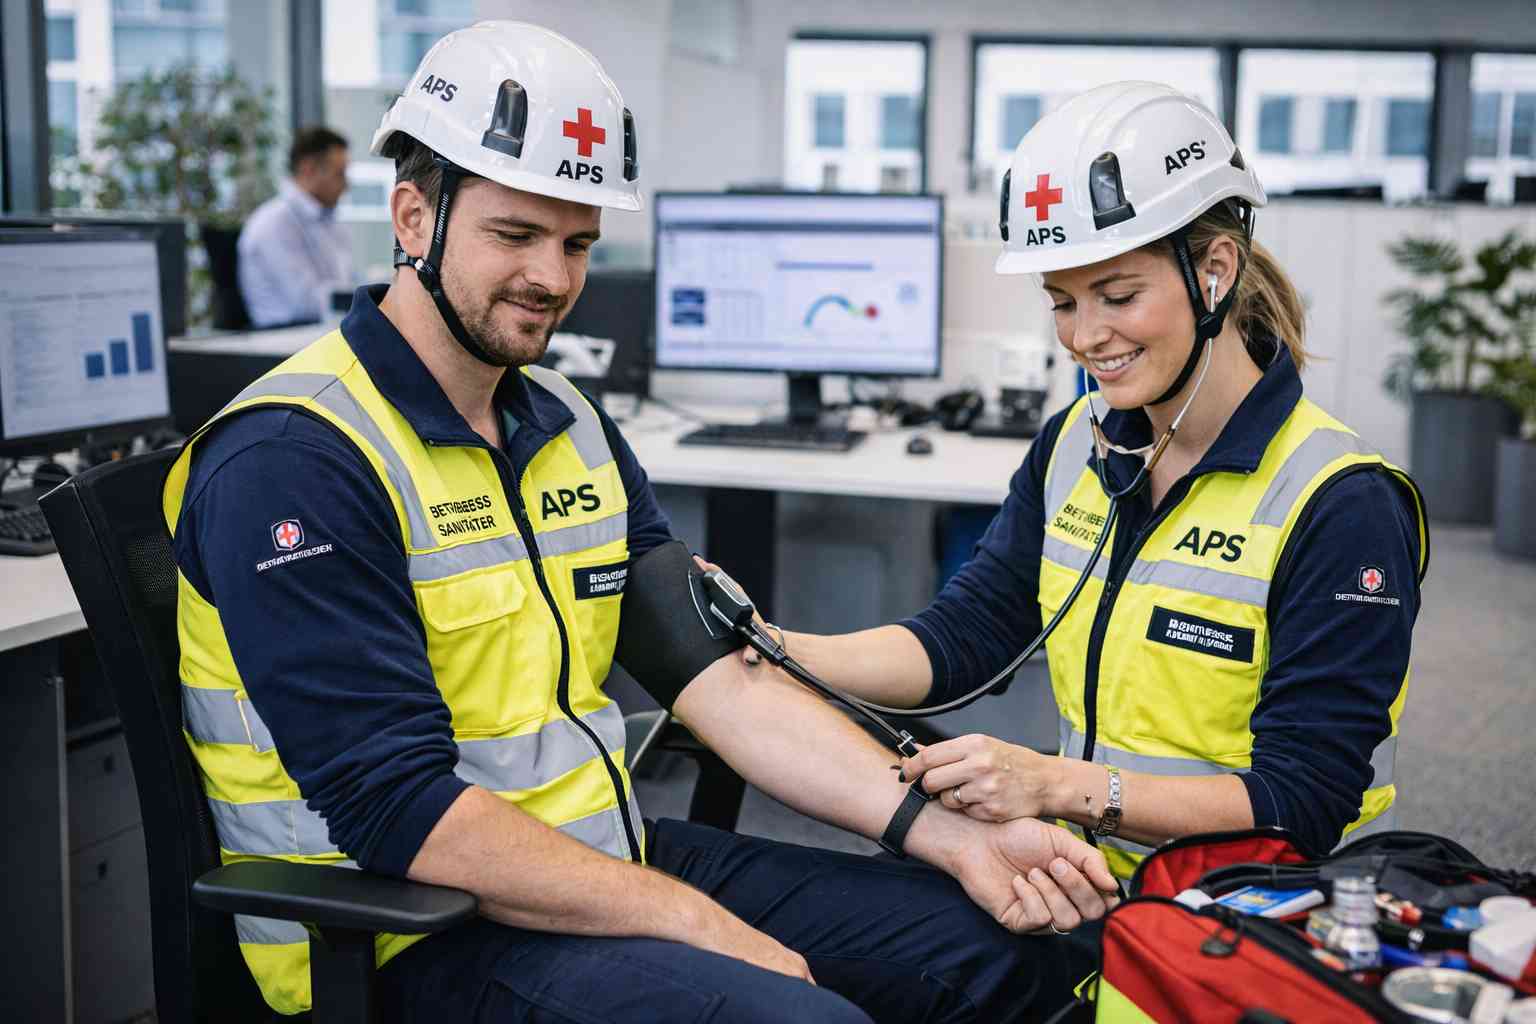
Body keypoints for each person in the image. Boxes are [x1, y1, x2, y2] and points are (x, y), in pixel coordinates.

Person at [163, 22, 1119, 1024]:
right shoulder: (298, 460)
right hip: (403, 931)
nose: (553, 278)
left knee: (1007, 947)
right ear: (413, 218)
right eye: (514, 235)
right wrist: (700, 924)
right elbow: (401, 813)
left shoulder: (563, 420)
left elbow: (724, 684)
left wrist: (950, 836)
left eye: (576, 243)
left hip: (591, 859)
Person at [739, 81, 1430, 887]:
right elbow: (968, 636)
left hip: (1253, 903)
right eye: (1062, 303)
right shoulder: (1076, 441)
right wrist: (778, 649)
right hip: (1085, 874)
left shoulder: (1342, 503)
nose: (1086, 337)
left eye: (1119, 296)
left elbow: (1303, 798)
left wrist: (1054, 786)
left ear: (1215, 271)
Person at [238, 125, 356, 327]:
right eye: (339, 174)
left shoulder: (330, 222)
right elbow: (305, 303)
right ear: (308, 170)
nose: (346, 185)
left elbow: (347, 281)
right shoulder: (273, 223)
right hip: (285, 337)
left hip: (323, 331)